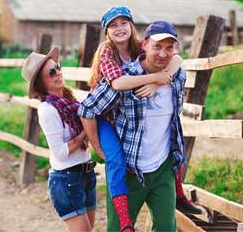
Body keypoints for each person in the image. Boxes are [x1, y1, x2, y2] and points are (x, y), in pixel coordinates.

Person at [78, 19, 192, 231]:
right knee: (117, 229)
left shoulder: (177, 76)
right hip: (130, 170)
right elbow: (87, 109)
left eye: (169, 48)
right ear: (144, 44)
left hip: (163, 169)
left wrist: (157, 81)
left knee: (167, 228)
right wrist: (99, 147)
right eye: (157, 46)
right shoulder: (127, 77)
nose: (163, 54)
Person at [22, 47, 97, 232]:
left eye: (58, 67)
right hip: (67, 179)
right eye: (51, 72)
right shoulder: (48, 110)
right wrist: (85, 132)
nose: (58, 73)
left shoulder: (70, 100)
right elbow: (61, 153)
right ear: (41, 83)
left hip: (86, 173)